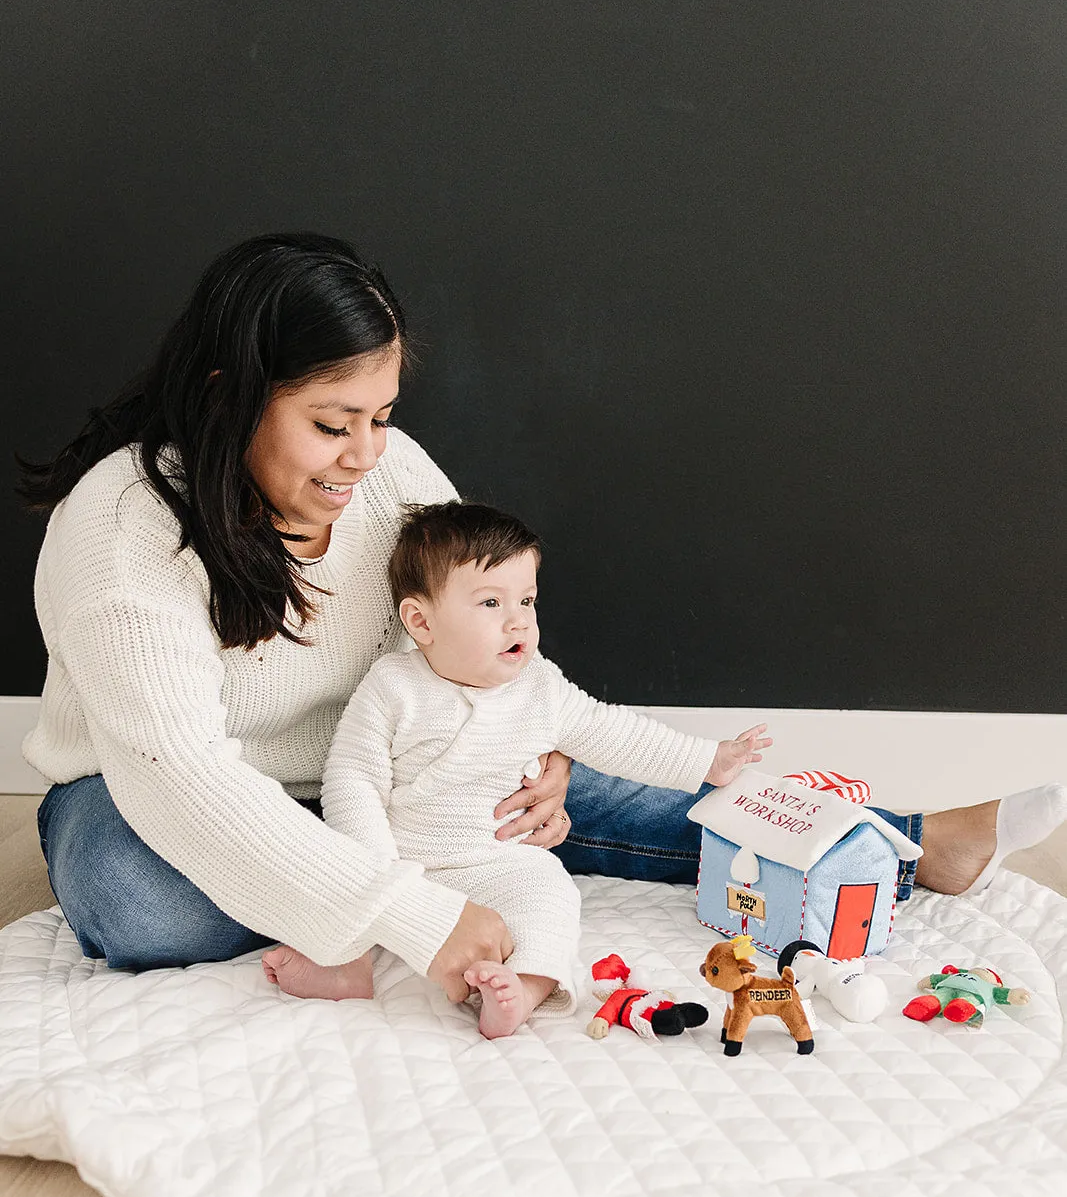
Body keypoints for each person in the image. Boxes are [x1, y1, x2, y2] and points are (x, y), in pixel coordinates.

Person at [16, 233, 1066, 1003]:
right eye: (331, 425)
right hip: (145, 796)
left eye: (380, 418)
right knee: (131, 896)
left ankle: (900, 843)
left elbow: (476, 624)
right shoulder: (124, 533)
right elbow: (186, 787)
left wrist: (533, 740)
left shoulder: (386, 485)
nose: (364, 456)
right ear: (226, 395)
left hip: (376, 766)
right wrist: (418, 916)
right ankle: (379, 874)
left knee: (546, 786)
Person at [264, 501, 772, 1037]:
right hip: (401, 853)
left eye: (527, 600)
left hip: (495, 858)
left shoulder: (540, 688)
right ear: (421, 621)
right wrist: (376, 869)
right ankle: (346, 965)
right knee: (335, 881)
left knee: (550, 889)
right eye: (491, 602)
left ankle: (524, 989)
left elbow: (611, 732)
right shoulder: (393, 688)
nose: (519, 621)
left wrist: (703, 760)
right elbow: (353, 779)